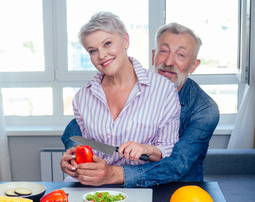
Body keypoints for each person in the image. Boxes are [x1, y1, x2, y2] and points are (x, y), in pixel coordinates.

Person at [60, 22, 219, 187]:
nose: (169, 61)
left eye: (181, 55)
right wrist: (77, 160)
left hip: (181, 190)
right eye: (163, 51)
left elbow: (177, 165)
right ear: (153, 56)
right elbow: (75, 129)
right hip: (125, 187)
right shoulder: (128, 89)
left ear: (193, 65)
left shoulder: (205, 110)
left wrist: (115, 173)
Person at [61, 12, 181, 182]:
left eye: (107, 43)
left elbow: (168, 151)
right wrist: (73, 163)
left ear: (126, 40)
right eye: (93, 51)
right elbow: (87, 150)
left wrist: (146, 149)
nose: (101, 55)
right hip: (92, 187)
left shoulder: (164, 90)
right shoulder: (82, 98)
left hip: (141, 186)